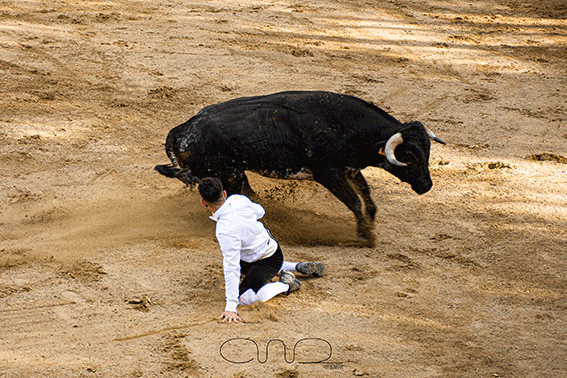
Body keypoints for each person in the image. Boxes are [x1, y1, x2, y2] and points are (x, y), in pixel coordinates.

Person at [198, 177, 325, 324]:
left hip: (267, 260)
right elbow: (261, 212)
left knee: (244, 299)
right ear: (224, 193)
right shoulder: (238, 199)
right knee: (249, 262)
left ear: (203, 202)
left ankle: (287, 284)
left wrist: (231, 307)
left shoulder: (224, 230)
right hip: (269, 250)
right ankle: (296, 266)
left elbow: (231, 266)